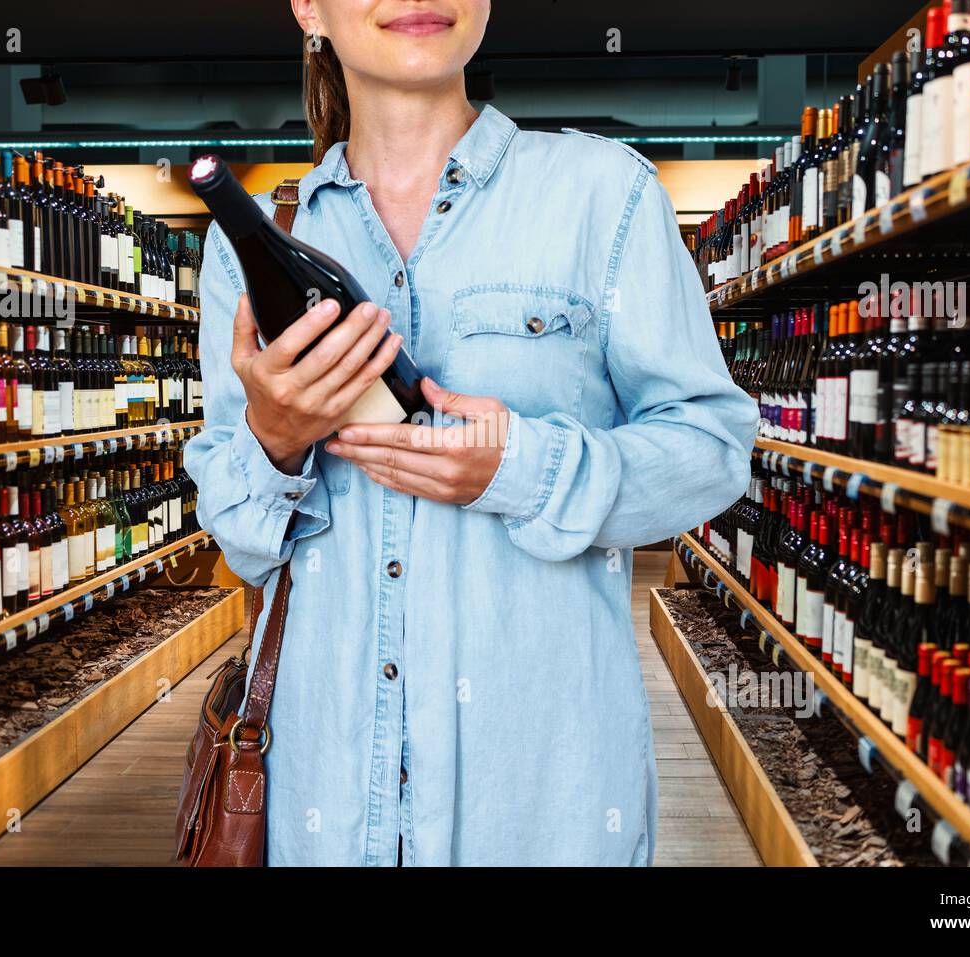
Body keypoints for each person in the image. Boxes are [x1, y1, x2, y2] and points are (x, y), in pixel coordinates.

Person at [185, 0, 758, 866]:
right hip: (330, 814)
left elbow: (713, 450)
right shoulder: (259, 242)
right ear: (309, 7)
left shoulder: (603, 196)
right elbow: (240, 541)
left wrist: (522, 470)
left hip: (545, 815)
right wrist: (274, 439)